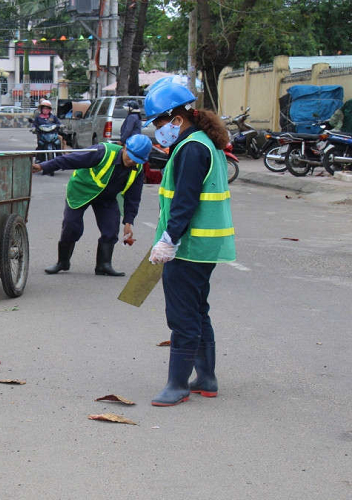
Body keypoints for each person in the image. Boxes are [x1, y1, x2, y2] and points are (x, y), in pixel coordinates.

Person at [143, 82, 235, 407]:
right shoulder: (201, 142)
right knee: (198, 310)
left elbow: (185, 201)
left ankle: (177, 384)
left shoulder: (192, 148)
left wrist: (169, 240)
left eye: (158, 123)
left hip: (189, 247)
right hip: (201, 247)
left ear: (176, 119)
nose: (158, 131)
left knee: (181, 315)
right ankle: (206, 379)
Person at [33, 133, 153, 277]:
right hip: (81, 191)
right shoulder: (103, 152)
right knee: (72, 227)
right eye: (131, 157)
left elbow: (133, 198)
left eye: (137, 160)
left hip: (106, 198)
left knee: (111, 230)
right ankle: (62, 262)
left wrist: (128, 221)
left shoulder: (137, 169)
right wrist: (43, 166)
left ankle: (103, 265)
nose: (132, 162)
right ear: (125, 148)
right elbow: (70, 160)